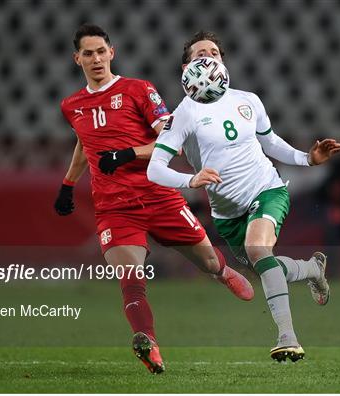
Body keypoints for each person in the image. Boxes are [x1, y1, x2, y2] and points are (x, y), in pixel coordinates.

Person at [54, 24, 254, 374]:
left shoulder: (139, 90)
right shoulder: (72, 105)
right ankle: (148, 343)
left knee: (207, 262)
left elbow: (170, 139)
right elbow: (84, 145)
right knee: (131, 279)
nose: (96, 58)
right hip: (115, 208)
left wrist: (127, 154)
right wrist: (68, 184)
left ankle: (222, 272)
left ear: (111, 53)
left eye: (101, 51)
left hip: (159, 196)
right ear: (77, 59)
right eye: (88, 53)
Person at [147, 31, 340, 362]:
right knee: (265, 265)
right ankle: (311, 270)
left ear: (222, 61)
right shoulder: (182, 115)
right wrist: (191, 178)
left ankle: (287, 337)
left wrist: (307, 158)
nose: (207, 57)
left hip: (267, 189)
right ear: (186, 67)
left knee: (257, 250)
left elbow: (270, 143)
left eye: (213, 52)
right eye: (199, 54)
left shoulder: (248, 100)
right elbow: (155, 169)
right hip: (227, 214)